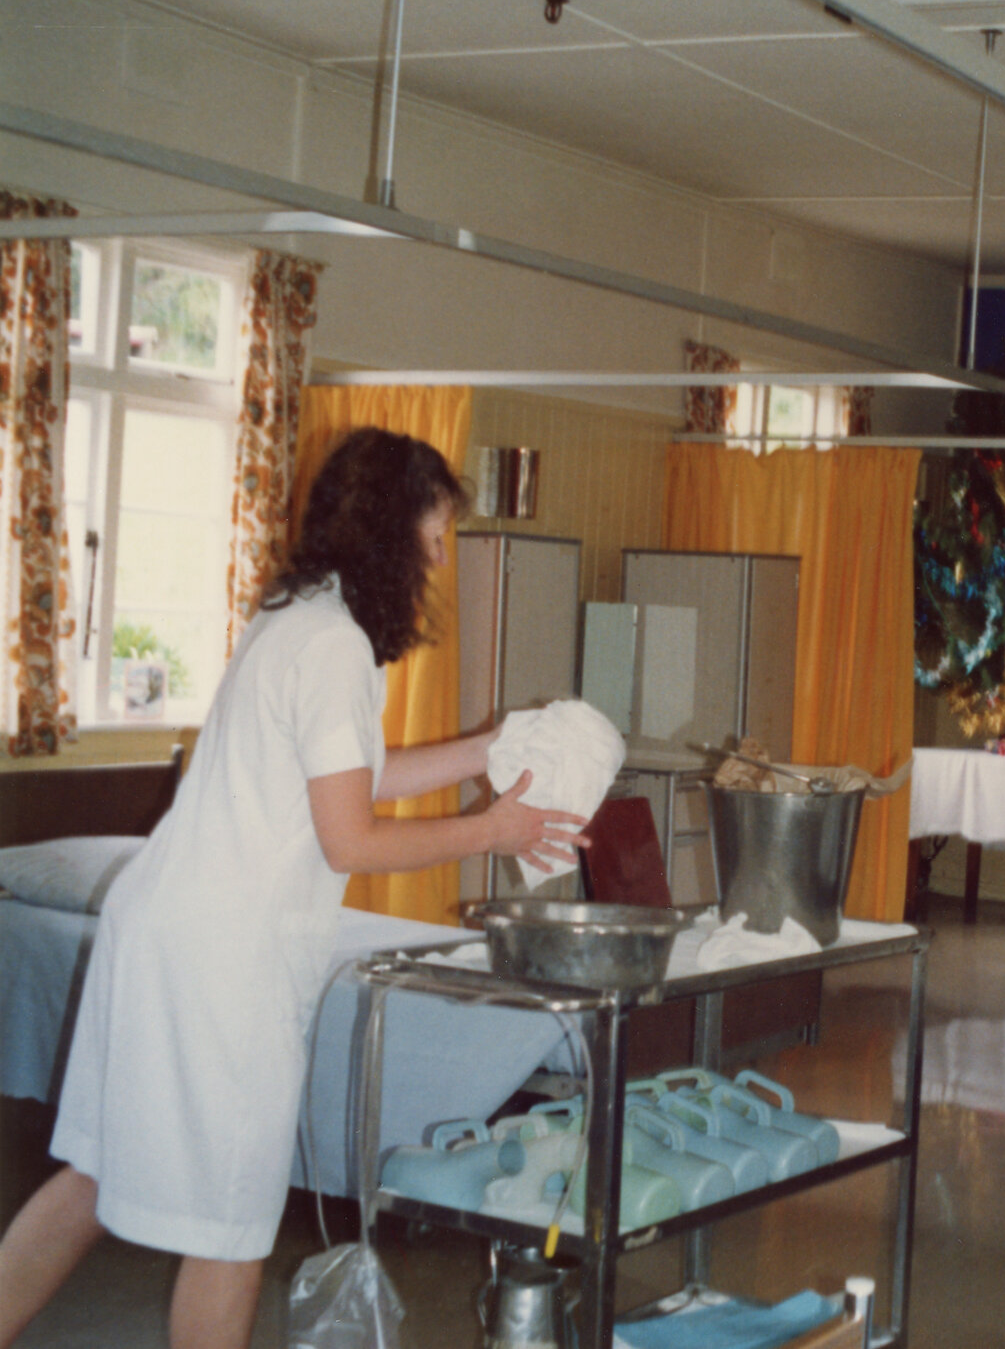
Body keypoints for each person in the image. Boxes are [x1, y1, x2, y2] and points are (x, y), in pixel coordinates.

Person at [0, 428, 587, 1349]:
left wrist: (489, 744)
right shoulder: (332, 646)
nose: (439, 559)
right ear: (394, 535)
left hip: (159, 933)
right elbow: (348, 833)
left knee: (95, 1176)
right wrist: (493, 829)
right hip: (219, 962)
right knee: (234, 1222)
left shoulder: (294, 619)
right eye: (435, 537)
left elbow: (355, 773)